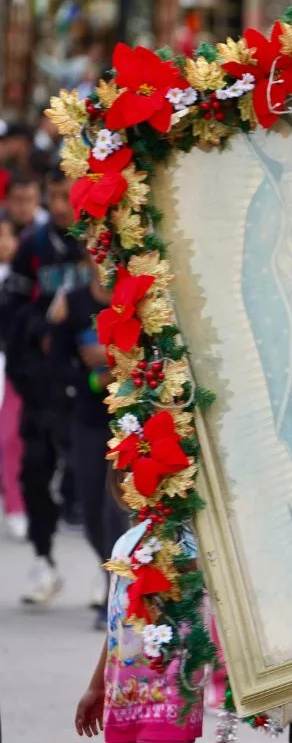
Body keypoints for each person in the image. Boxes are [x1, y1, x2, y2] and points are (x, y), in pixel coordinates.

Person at [2, 168, 88, 604]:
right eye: (53, 197)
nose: (60, 207)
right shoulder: (33, 249)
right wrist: (39, 331)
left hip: (90, 385)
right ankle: (44, 560)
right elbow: (11, 312)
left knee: (90, 482)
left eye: (67, 196)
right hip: (41, 385)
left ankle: (107, 571)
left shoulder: (96, 245)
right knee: (35, 470)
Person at [74, 492, 204, 742]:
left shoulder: (188, 544)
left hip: (171, 696)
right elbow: (118, 625)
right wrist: (98, 685)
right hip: (125, 696)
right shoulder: (127, 542)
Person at [48, 256, 127, 628]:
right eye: (96, 257)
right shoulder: (75, 302)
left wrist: (112, 359)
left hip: (125, 421)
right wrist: (95, 380)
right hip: (88, 419)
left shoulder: (132, 301)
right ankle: (107, 570)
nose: (103, 264)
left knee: (116, 510)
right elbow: (58, 362)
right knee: (91, 507)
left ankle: (114, 592)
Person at [0, 216, 25, 539]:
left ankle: (17, 505)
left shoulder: (22, 278)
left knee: (9, 439)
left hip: (12, 367)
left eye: (6, 235)